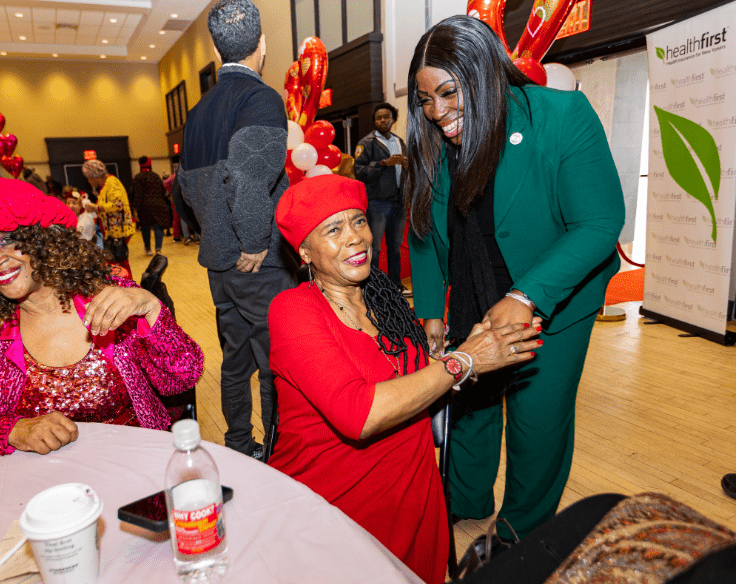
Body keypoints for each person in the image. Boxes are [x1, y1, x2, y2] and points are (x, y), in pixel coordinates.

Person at [404, 16, 625, 540]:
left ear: (484, 74)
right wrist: (432, 310)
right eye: (425, 99)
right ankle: (461, 505)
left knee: (536, 421)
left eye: (449, 93)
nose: (437, 112)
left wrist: (526, 295)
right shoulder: (436, 140)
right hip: (471, 294)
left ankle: (520, 533)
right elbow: (424, 229)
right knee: (471, 404)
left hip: (551, 299)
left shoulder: (562, 117)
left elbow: (598, 222)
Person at [267, 174, 541, 584]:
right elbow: (358, 415)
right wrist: (462, 362)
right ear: (304, 251)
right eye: (334, 229)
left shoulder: (385, 300)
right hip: (332, 507)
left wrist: (475, 351)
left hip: (413, 500)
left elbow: (419, 384)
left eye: (359, 221)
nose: (356, 238)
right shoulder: (293, 310)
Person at [0, 178, 204, 458]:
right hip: (36, 490)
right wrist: (11, 430)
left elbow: (180, 377)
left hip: (136, 466)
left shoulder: (109, 297)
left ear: (44, 241)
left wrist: (152, 310)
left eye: (6, 240)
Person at [177, 0, 294, 459]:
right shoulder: (261, 99)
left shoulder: (198, 111)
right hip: (256, 262)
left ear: (214, 47)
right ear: (262, 44)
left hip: (218, 263)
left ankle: (239, 447)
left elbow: (183, 192)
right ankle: (279, 455)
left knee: (234, 361)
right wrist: (252, 239)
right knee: (273, 367)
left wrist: (216, 229)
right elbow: (247, 176)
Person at [354, 102, 411, 297]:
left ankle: (396, 284)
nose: (383, 120)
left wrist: (407, 165)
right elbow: (359, 172)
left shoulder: (399, 142)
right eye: (379, 118)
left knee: (395, 247)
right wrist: (384, 163)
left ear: (393, 119)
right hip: (378, 202)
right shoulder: (366, 143)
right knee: (375, 247)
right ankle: (374, 286)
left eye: (387, 117)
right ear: (374, 121)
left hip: (399, 202)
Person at [81, 159, 135, 277]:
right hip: (113, 231)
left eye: (89, 178)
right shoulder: (106, 184)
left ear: (95, 176)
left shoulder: (112, 183)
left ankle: (128, 284)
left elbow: (117, 204)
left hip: (119, 231)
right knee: (116, 261)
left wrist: (96, 208)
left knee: (120, 261)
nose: (89, 181)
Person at [132, 156, 171, 256]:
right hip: (158, 206)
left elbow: (137, 195)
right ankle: (158, 250)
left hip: (144, 208)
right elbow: (164, 192)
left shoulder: (138, 177)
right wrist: (169, 196)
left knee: (146, 229)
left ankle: (148, 249)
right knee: (158, 228)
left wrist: (135, 209)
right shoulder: (156, 176)